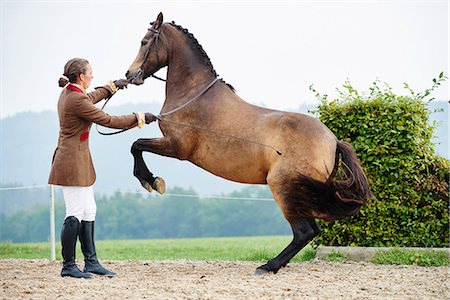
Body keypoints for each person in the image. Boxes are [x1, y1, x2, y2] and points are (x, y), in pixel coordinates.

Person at [48, 58, 157, 279]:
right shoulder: (74, 100)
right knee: (74, 213)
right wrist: (140, 118)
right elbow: (107, 120)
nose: (92, 77)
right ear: (81, 76)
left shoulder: (73, 93)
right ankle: (68, 266)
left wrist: (112, 86)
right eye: (90, 73)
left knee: (89, 211)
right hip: (70, 163)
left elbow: (90, 97)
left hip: (79, 161)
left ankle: (91, 262)